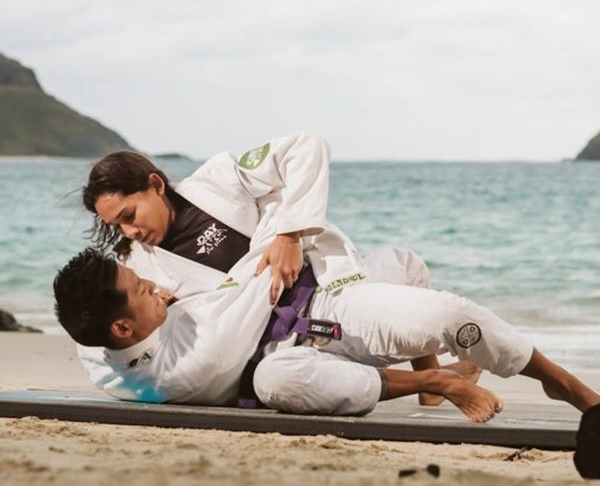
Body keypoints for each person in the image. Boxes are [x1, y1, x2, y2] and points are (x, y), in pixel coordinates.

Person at [57, 133, 599, 420]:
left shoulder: (219, 179)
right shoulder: (142, 271)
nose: (130, 232)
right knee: (411, 296)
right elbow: (131, 337)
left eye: (130, 215)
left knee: (436, 300)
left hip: (328, 294)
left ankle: (559, 381)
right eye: (117, 226)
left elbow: (306, 146)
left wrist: (290, 232)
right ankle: (433, 382)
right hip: (284, 349)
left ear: (155, 185)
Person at [54, 247, 600, 422]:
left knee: (404, 262)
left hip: (315, 305)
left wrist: (160, 290)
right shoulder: (195, 360)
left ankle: (431, 376)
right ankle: (559, 384)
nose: (154, 286)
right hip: (312, 343)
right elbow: (255, 285)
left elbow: (160, 289)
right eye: (141, 289)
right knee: (450, 318)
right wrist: (285, 238)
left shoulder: (97, 348)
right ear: (122, 326)